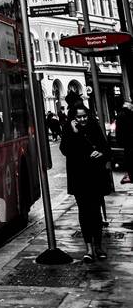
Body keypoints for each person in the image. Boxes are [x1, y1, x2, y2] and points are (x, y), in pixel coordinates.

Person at [60, 103, 112, 261]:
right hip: (79, 178)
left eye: (84, 116)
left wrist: (101, 153)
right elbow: (65, 150)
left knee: (95, 212)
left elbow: (106, 148)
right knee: (84, 213)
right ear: (73, 118)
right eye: (79, 117)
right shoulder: (68, 129)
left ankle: (98, 246)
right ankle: (88, 248)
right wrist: (74, 132)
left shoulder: (94, 126)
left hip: (95, 176)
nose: (82, 119)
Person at [117, 101, 133, 183]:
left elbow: (118, 130)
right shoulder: (129, 114)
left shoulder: (120, 114)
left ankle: (130, 176)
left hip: (126, 141)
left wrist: (120, 141)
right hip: (130, 140)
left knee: (128, 158)